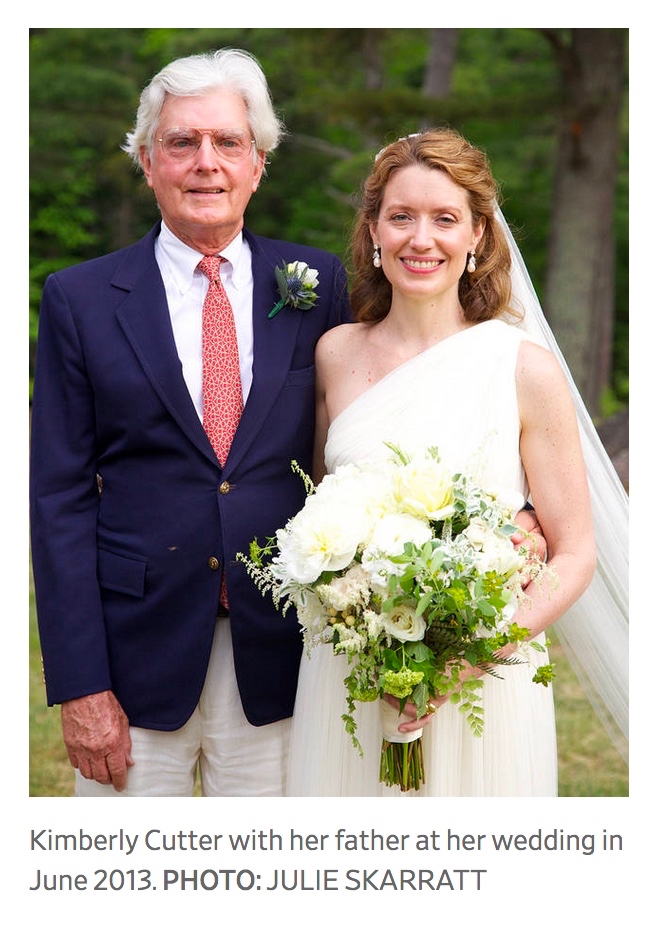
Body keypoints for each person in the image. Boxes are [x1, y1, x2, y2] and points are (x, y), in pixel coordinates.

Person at [29, 48, 352, 796]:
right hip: (132, 661)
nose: (206, 162)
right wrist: (80, 684)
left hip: (282, 652)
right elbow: (58, 499)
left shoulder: (317, 285)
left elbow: (359, 441)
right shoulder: (80, 299)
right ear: (148, 162)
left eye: (228, 142)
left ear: (258, 164)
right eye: (182, 142)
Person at [286, 128, 628, 796]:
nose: (422, 239)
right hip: (351, 680)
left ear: (477, 235)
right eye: (401, 217)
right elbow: (320, 512)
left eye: (445, 219)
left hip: (483, 686)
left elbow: (574, 554)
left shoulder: (522, 367)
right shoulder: (334, 354)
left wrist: (464, 659)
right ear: (373, 230)